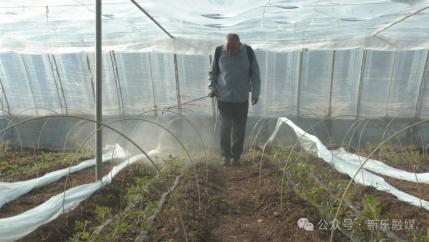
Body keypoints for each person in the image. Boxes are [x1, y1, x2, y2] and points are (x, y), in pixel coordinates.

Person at [208, 33, 261, 166]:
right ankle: (225, 156)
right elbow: (213, 73)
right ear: (224, 45)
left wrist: (255, 93)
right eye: (228, 48)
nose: (230, 51)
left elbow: (255, 73)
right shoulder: (219, 51)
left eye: (233, 48)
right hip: (223, 98)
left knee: (239, 129)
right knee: (225, 127)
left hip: (241, 98)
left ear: (239, 44)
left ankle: (236, 157)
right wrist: (213, 88)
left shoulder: (248, 52)